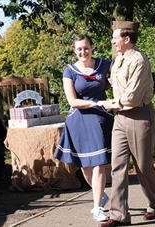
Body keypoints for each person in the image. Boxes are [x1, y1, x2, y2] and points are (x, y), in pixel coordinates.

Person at [99, 21, 155, 227]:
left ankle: (154, 203)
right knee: (117, 167)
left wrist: (110, 104)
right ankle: (119, 215)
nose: (113, 41)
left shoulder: (139, 61)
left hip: (139, 115)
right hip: (120, 118)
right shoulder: (118, 59)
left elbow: (133, 97)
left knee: (143, 166)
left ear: (126, 39)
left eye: (115, 37)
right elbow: (115, 83)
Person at [54, 34, 114, 222]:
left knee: (99, 164)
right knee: (85, 166)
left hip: (99, 120)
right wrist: (98, 102)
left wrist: (117, 98)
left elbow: (118, 80)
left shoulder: (105, 64)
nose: (83, 52)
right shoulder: (69, 71)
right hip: (79, 121)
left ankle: (97, 207)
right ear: (75, 50)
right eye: (79, 49)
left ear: (92, 47)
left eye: (86, 48)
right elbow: (72, 101)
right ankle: (100, 195)